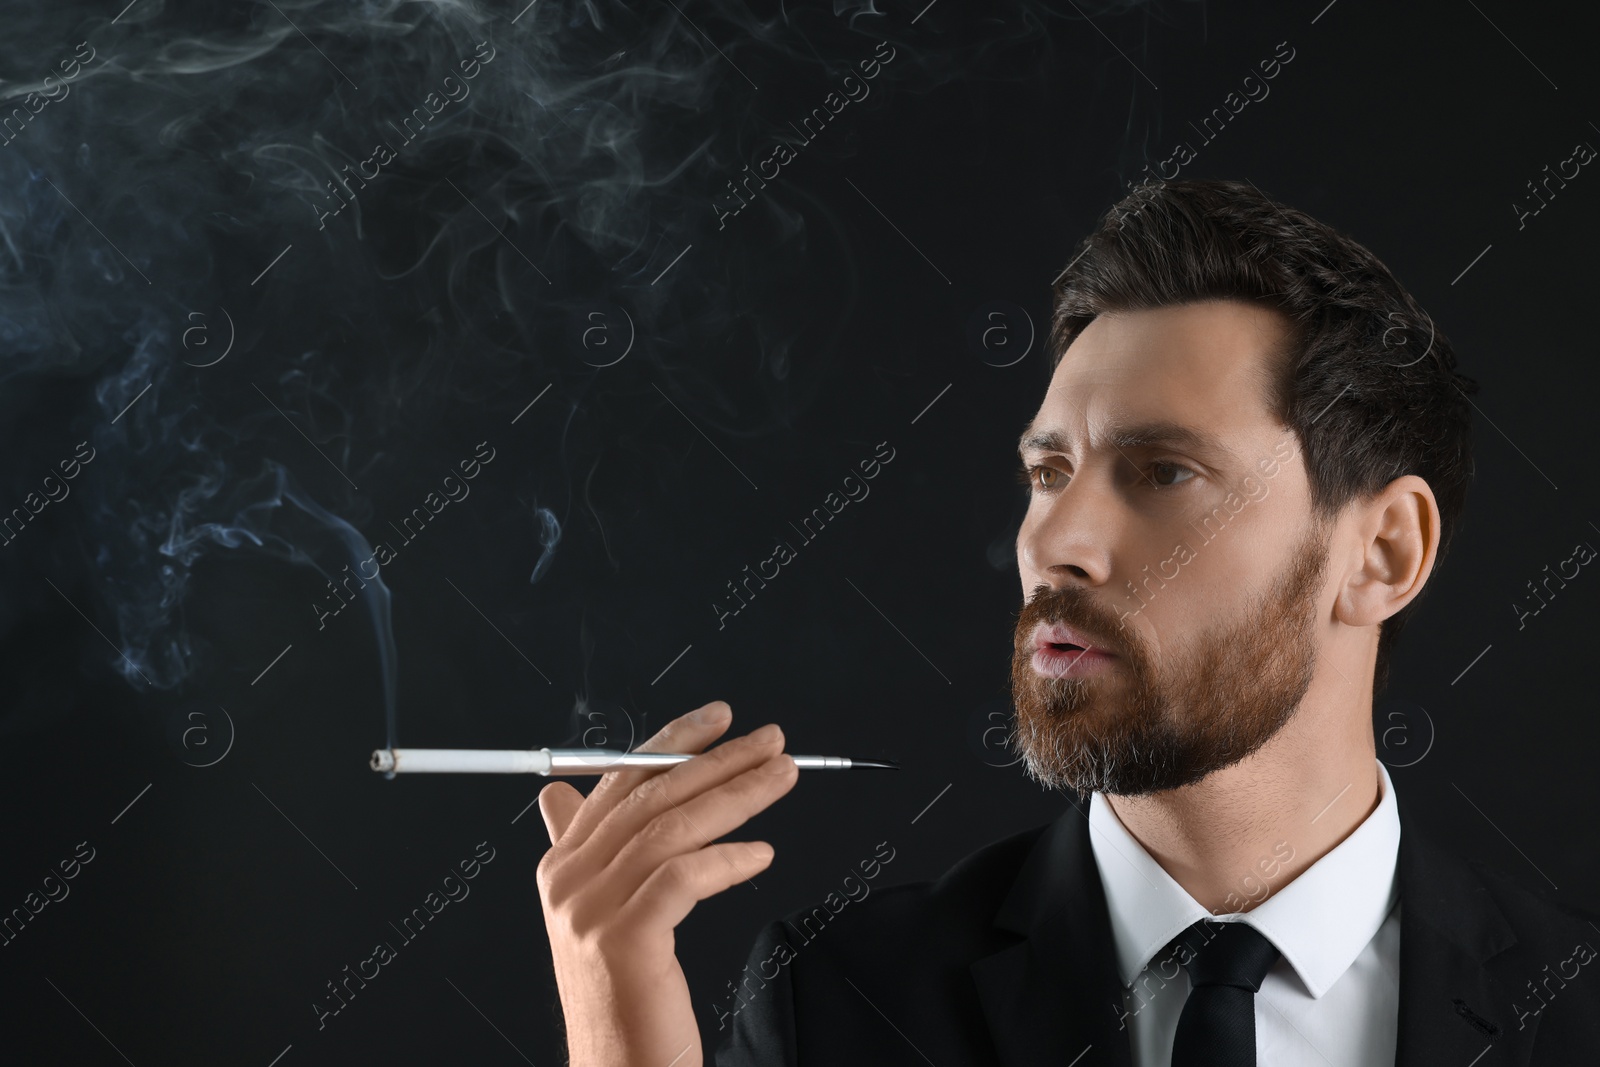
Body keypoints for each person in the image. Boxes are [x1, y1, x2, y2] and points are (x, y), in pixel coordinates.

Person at [534, 179, 1600, 1066]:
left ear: (1382, 554)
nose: (1054, 542)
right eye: (1049, 471)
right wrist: (615, 1026)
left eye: (1163, 471)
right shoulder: (844, 1005)